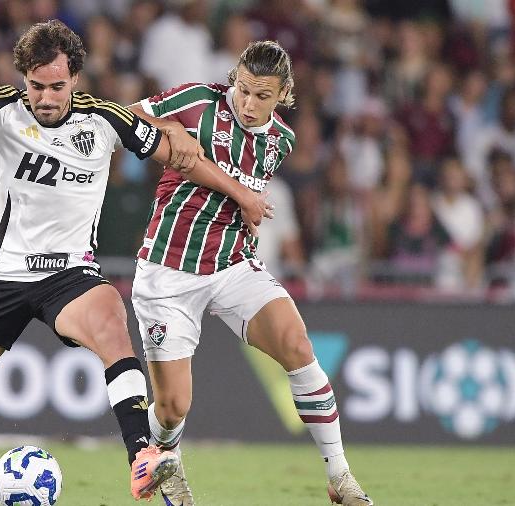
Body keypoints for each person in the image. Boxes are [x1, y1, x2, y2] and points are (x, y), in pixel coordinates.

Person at [0, 20, 270, 506]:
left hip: (68, 274)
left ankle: (141, 458)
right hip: (0, 277)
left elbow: (182, 155)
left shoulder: (106, 119)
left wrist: (237, 191)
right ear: (24, 79)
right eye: (36, 86)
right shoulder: (2, 108)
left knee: (111, 318)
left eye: (57, 86)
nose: (45, 98)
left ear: (76, 79)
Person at [128, 41, 374, 506]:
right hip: (168, 271)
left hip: (233, 265)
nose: (247, 102)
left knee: (299, 347)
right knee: (173, 406)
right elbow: (123, 118)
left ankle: (340, 477)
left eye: (262, 96)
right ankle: (169, 463)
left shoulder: (282, 140)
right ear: (233, 78)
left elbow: (244, 194)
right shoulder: (198, 100)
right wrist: (168, 132)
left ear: (283, 94)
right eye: (242, 89)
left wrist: (245, 207)